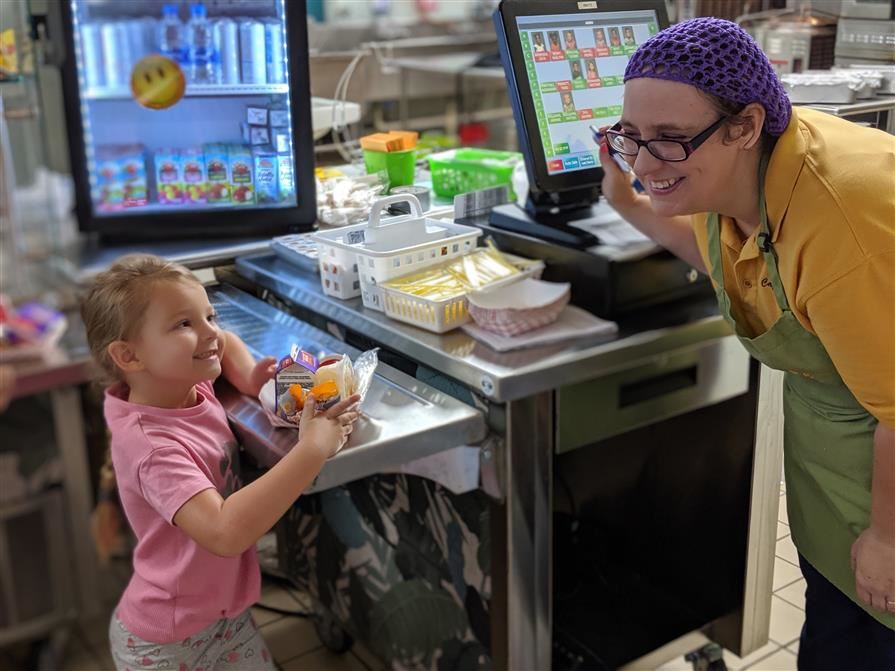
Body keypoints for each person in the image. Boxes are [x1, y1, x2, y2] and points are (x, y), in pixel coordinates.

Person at [597, 18, 895, 670]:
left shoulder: (839, 216)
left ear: (743, 125)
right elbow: (719, 254)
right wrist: (625, 200)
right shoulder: (743, 178)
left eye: (669, 141)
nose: (646, 164)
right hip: (840, 481)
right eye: (630, 138)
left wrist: (885, 537)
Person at [81, 255, 361, 671]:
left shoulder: (180, 384)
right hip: (169, 645)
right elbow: (225, 532)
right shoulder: (153, 448)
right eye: (183, 324)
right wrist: (312, 448)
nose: (210, 330)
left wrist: (247, 375)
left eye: (208, 315)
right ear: (128, 355)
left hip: (223, 621)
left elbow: (225, 341)